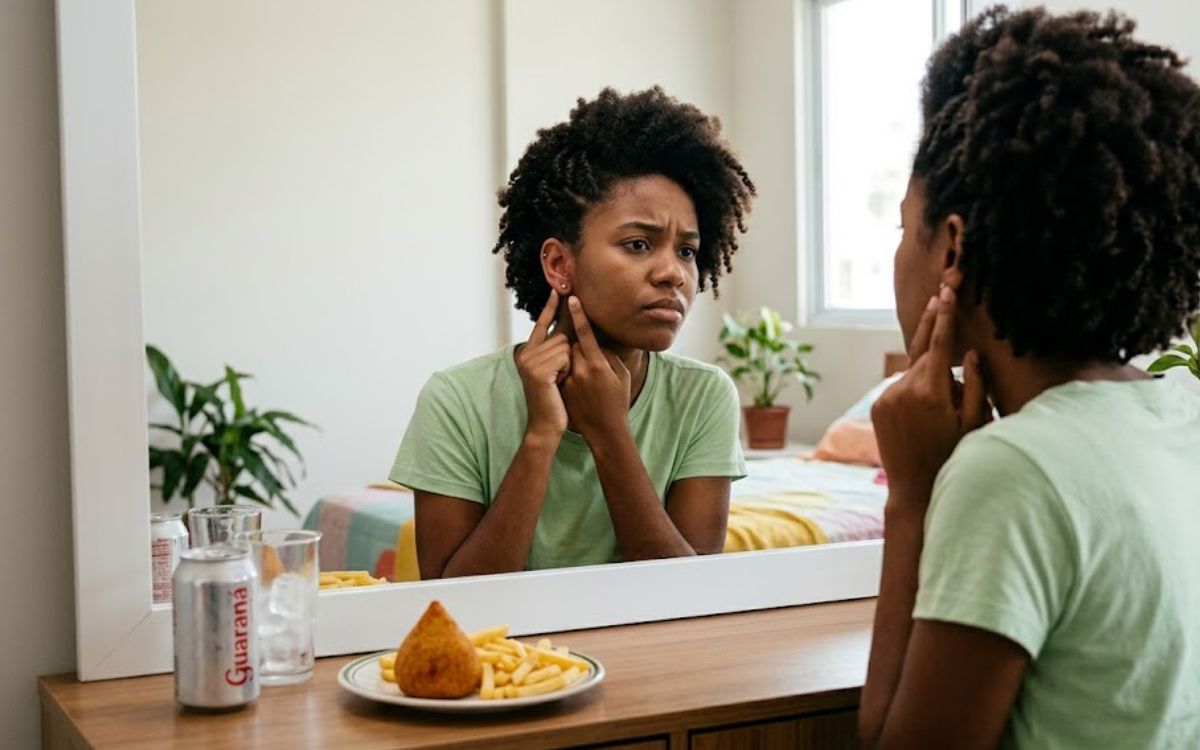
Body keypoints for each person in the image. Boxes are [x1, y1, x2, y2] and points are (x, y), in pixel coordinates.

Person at [859, 6, 1200, 748]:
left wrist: (912, 499)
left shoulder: (1010, 471)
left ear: (953, 249)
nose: (898, 254)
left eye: (903, 227)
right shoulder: (1186, 409)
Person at [391, 87, 757, 579]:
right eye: (638, 244)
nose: (673, 273)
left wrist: (609, 433)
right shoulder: (457, 399)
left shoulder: (704, 396)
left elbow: (690, 594)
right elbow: (452, 600)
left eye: (687, 251)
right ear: (560, 264)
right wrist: (541, 435)